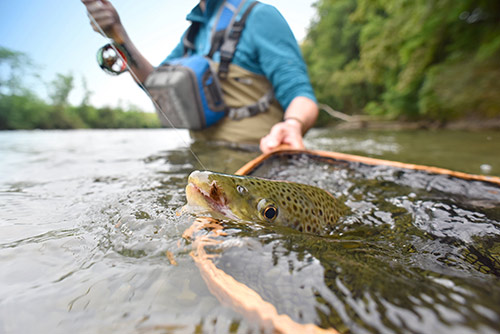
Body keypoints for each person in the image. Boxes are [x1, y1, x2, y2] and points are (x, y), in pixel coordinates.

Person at [82, 0, 318, 153]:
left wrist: (293, 124)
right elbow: (155, 84)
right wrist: (119, 35)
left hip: (256, 161)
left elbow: (301, 94)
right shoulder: (192, 34)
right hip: (202, 158)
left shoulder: (261, 16)